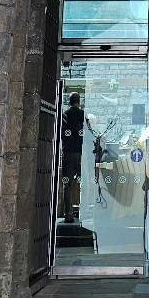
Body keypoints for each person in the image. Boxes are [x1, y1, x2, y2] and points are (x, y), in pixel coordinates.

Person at [58, 92, 90, 224]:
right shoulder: (84, 115)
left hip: (68, 153)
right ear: (79, 101)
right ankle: (85, 213)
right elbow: (88, 134)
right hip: (81, 154)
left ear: (69, 101)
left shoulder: (65, 115)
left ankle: (69, 215)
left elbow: (61, 134)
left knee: (68, 185)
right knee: (85, 183)